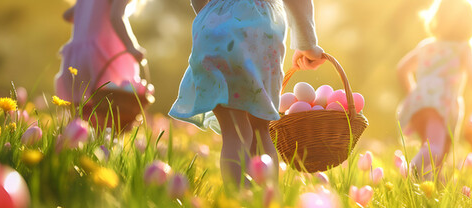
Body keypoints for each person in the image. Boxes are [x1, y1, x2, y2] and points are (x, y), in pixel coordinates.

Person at [169, 0, 326, 188]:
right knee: (260, 129)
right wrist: (307, 45)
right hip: (261, 30)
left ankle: (238, 199)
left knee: (235, 132)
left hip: (216, 26)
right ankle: (265, 199)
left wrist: (212, 14)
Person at [397, 0, 472, 179]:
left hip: (419, 103)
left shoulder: (426, 46)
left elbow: (402, 69)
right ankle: (410, 172)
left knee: (433, 149)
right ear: (470, 23)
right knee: (437, 149)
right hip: (441, 104)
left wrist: (415, 93)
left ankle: (429, 186)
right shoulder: (463, 48)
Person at [55, 0, 153, 130]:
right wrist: (131, 46)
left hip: (77, 56)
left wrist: (88, 18)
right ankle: (102, 147)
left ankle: (74, 142)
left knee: (82, 110)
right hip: (102, 54)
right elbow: (116, 16)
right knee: (109, 110)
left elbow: (68, 15)